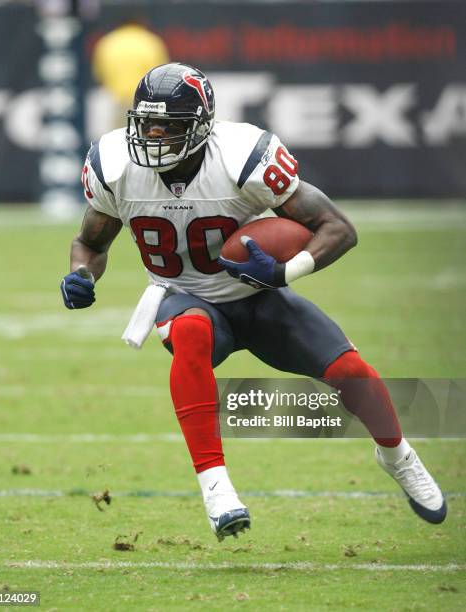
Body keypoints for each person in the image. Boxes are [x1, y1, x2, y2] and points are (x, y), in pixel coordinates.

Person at [61, 63, 447, 541]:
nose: (154, 137)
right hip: (183, 297)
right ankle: (216, 486)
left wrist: (286, 271)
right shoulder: (114, 166)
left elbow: (338, 229)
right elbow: (91, 244)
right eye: (147, 124)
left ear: (202, 127)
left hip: (256, 295)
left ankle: (398, 457)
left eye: (170, 127)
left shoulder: (242, 157)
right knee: (192, 333)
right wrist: (81, 275)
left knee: (350, 372)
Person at [92, 19, 169, 127]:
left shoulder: (108, 42)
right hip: (145, 102)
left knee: (118, 138)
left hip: (116, 100)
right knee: (146, 138)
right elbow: (162, 75)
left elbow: (99, 74)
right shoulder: (150, 41)